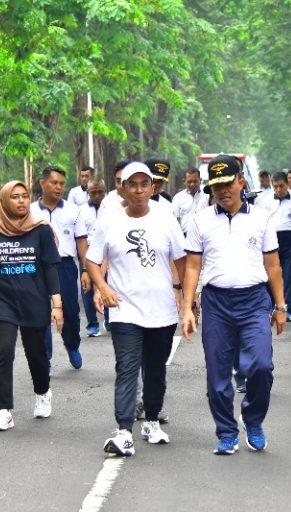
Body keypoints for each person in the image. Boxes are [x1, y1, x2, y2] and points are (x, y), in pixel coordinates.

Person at [181, 154, 287, 455]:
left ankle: (252, 420)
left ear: (241, 181)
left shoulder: (261, 218)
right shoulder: (199, 221)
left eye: (228, 183)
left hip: (254, 301)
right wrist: (188, 308)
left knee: (261, 366)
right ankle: (227, 431)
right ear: (210, 191)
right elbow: (191, 267)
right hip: (216, 302)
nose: (223, 191)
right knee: (217, 376)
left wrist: (280, 307)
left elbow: (273, 265)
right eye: (217, 187)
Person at [86, 162, 186, 457]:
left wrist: (185, 294)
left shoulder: (165, 218)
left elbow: (182, 260)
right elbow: (92, 259)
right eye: (133, 184)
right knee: (127, 368)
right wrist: (103, 289)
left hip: (162, 310)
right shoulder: (110, 221)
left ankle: (152, 421)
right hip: (124, 309)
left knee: (155, 369)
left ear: (153, 188)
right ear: (123, 188)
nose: (139, 190)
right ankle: (123, 432)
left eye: (145, 184)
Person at [0, 181, 63, 431]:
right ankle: (3, 411)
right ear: (4, 201)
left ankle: (43, 392)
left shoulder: (41, 230)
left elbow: (50, 268)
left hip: (34, 299)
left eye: (25, 196)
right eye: (15, 197)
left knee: (36, 354)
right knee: (3, 351)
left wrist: (57, 304)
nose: (22, 201)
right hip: (3, 301)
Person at [30, 166, 89, 370]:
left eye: (62, 184)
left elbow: (81, 242)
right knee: (40, 313)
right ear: (42, 183)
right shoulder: (30, 211)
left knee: (71, 311)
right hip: (35, 268)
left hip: (64, 267)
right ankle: (44, 357)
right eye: (54, 183)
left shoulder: (74, 211)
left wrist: (86, 271)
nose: (59, 187)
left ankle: (72, 345)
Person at [259, 171, 291, 321]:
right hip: (271, 241)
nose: (279, 189)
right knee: (269, 276)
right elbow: (261, 225)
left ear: (288, 184)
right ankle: (270, 306)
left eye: (282, 186)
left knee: (289, 276)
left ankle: (286, 310)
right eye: (276, 186)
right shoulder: (265, 202)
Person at [81, 177, 107, 337]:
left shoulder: (111, 208)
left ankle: (110, 318)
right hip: (88, 253)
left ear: (105, 191)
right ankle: (92, 324)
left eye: (100, 192)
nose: (97, 195)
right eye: (93, 193)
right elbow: (81, 238)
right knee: (87, 288)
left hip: (107, 253)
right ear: (88, 193)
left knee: (109, 284)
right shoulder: (81, 211)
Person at [172, 167, 209, 235]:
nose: (192, 184)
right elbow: (175, 220)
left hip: (204, 236)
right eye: (189, 182)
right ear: (184, 181)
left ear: (200, 180)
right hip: (184, 237)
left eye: (195, 181)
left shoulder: (207, 197)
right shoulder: (178, 198)